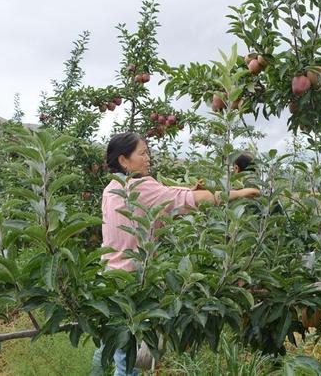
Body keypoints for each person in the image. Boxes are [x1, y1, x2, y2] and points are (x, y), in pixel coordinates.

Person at [90, 133, 260, 376]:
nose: (148, 158)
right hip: (133, 284)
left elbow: (163, 194)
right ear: (124, 160)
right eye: (142, 153)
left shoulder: (112, 188)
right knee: (129, 362)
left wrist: (183, 191)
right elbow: (190, 199)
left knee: (111, 345)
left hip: (108, 279)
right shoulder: (140, 188)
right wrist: (239, 193)